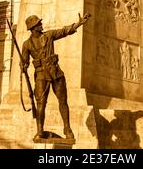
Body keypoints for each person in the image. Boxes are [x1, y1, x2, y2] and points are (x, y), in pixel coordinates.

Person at [21, 12, 91, 140]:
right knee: (41, 104)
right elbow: (24, 62)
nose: (41, 24)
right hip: (41, 75)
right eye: (38, 23)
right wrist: (23, 66)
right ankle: (40, 130)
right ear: (32, 28)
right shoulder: (26, 44)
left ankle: (67, 128)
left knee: (63, 101)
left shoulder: (48, 35)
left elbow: (64, 31)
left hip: (55, 72)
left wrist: (78, 24)